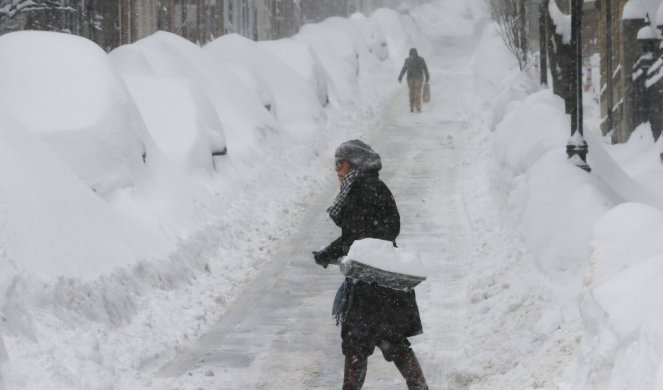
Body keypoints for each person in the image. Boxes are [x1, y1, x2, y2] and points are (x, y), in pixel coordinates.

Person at [312, 140, 428, 390]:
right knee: (392, 340)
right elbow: (383, 229)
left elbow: (354, 236)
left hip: (370, 284)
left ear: (352, 163)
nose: (337, 170)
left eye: (339, 164)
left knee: (356, 341)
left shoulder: (360, 188)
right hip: (384, 279)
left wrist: (327, 253)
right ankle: (420, 387)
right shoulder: (373, 185)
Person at [398, 48, 430, 113]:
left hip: (411, 79)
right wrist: (427, 76)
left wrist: (400, 76)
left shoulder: (408, 60)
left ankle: (412, 106)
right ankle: (417, 106)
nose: (412, 56)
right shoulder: (421, 60)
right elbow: (425, 69)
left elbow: (404, 69)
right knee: (417, 92)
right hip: (418, 78)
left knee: (412, 92)